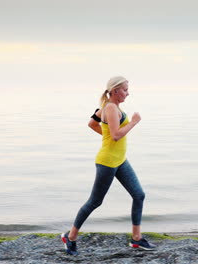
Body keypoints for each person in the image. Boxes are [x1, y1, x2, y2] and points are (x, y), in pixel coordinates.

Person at [61, 76, 154, 255]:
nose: (128, 93)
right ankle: (70, 237)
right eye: (125, 89)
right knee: (95, 202)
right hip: (107, 162)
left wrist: (106, 136)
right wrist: (133, 122)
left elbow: (92, 123)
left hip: (120, 160)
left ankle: (136, 239)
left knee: (139, 195)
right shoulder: (110, 108)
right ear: (115, 90)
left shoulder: (109, 108)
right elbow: (116, 135)